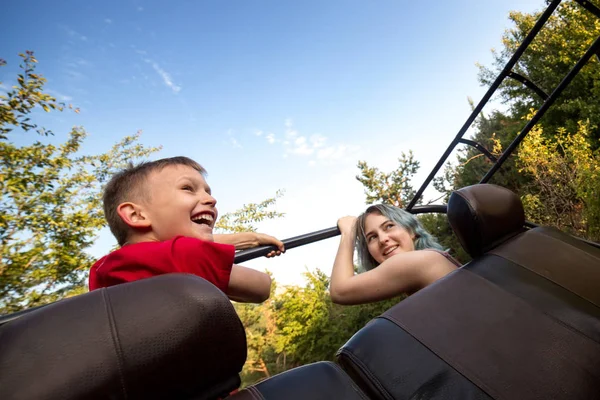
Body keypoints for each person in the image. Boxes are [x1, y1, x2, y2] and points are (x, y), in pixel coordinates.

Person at [89, 156, 285, 303]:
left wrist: (253, 239)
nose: (211, 199)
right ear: (136, 215)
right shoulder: (182, 256)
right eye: (188, 188)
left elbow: (193, 245)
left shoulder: (101, 269)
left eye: (208, 191)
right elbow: (261, 287)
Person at [330, 204, 459, 305]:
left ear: (411, 230)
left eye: (389, 226)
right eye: (372, 237)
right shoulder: (433, 259)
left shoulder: (417, 262)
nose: (382, 239)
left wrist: (348, 233)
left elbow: (339, 291)